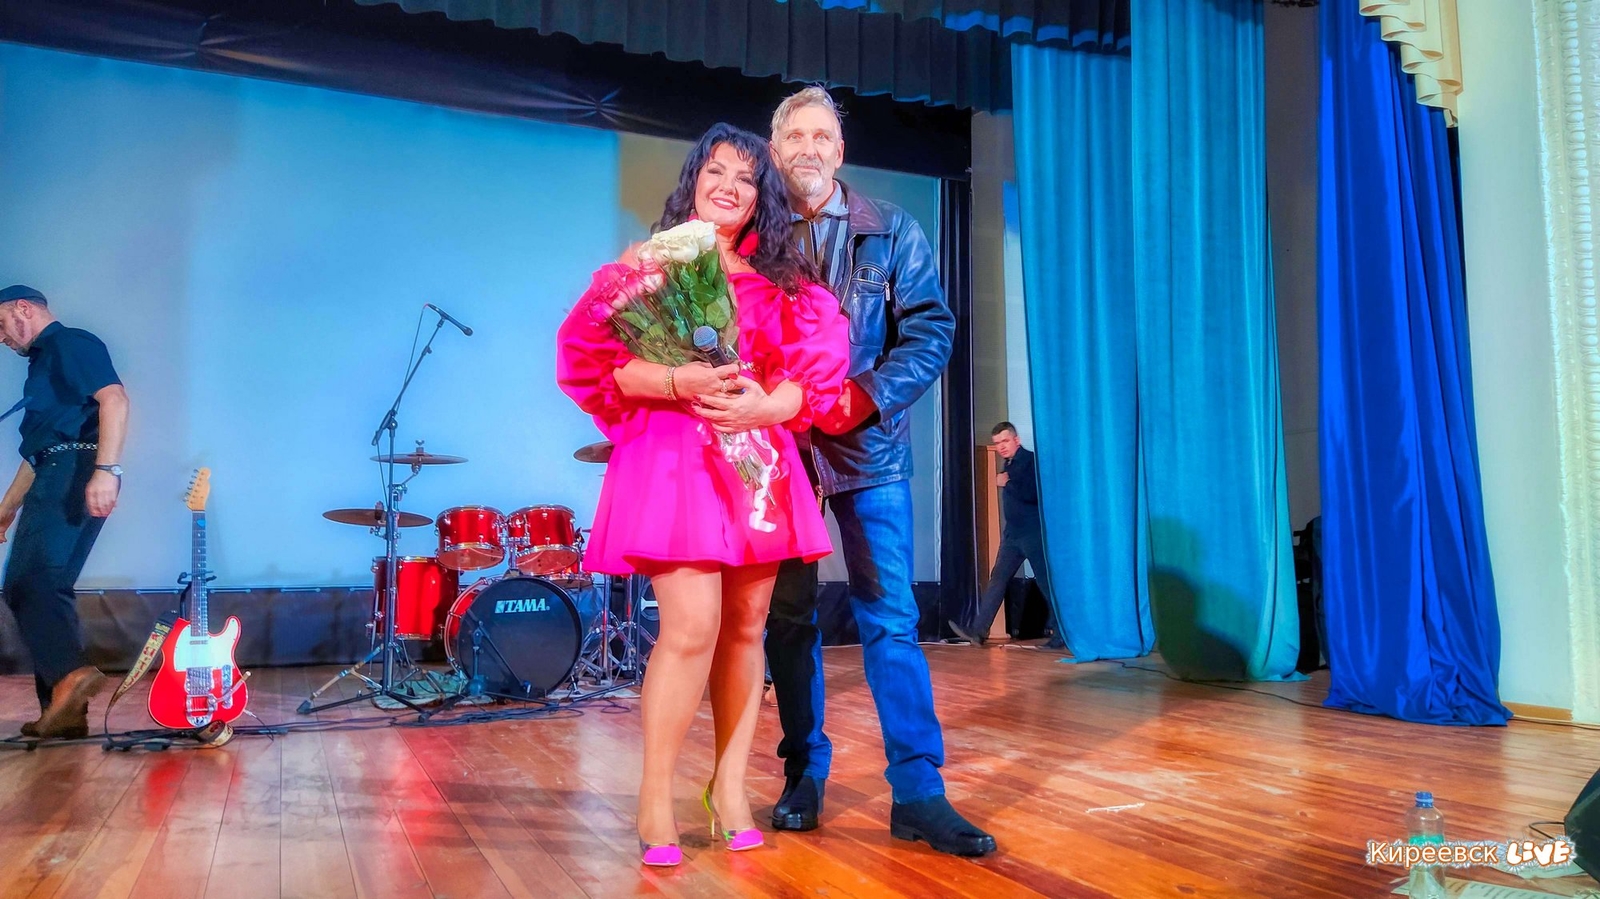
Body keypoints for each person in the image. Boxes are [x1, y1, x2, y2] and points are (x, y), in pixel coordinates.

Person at [556, 123, 848, 867]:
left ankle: (730, 788)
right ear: (693, 180)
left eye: (746, 178)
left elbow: (813, 376)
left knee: (747, 629)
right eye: (716, 171)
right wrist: (676, 380)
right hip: (673, 457)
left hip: (756, 464)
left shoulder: (784, 281)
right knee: (691, 625)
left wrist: (767, 406)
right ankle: (655, 796)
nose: (729, 186)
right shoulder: (644, 267)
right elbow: (595, 364)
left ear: (761, 197)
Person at [762, 86, 997, 858]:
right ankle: (803, 774)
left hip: (872, 452)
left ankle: (919, 792)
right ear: (774, 150)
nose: (808, 146)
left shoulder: (891, 227)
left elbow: (931, 331)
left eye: (821, 135)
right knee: (788, 620)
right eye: (794, 135)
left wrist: (864, 395)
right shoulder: (754, 233)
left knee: (891, 617)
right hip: (781, 458)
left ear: (840, 149)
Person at [0, 285, 128, 739]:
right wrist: (6, 510)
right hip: (59, 467)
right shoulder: (42, 366)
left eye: (0, 325)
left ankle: (70, 677)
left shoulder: (71, 342)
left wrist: (106, 471)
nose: (1, 338)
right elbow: (40, 451)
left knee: (27, 582)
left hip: (73, 469)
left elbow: (115, 399)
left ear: (23, 308)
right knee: (46, 586)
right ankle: (65, 711)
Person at [949, 422, 1061, 648]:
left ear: (1016, 440)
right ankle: (978, 631)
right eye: (997, 443)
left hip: (1032, 533)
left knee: (1045, 583)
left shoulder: (1030, 461)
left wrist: (1007, 482)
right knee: (998, 579)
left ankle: (1061, 633)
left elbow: (1033, 494)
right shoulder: (1007, 463)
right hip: (1012, 535)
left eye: (1005, 441)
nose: (1001, 446)